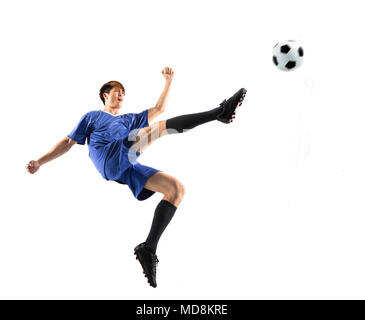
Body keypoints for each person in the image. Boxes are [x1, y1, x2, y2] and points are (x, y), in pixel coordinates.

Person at [25, 67, 246, 288]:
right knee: (154, 131)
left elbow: (160, 108)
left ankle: (148, 248)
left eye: (123, 92)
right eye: (116, 91)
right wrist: (40, 161)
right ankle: (220, 112)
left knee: (175, 189)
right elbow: (67, 142)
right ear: (105, 95)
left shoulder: (129, 120)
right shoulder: (92, 116)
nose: (121, 95)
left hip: (126, 164)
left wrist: (169, 81)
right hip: (108, 157)